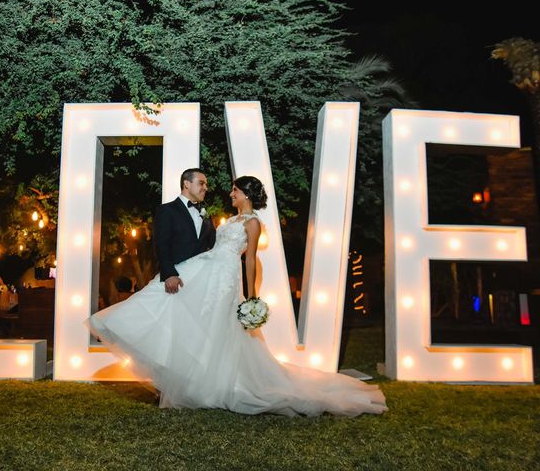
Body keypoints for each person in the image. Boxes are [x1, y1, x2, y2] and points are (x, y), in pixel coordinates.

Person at [86, 175, 387, 417]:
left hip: (225, 275)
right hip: (205, 267)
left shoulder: (253, 223)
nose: (229, 194)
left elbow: (251, 259)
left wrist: (252, 297)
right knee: (174, 305)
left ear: (246, 194)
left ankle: (212, 386)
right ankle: (182, 373)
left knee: (218, 327)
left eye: (234, 190)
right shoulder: (228, 221)